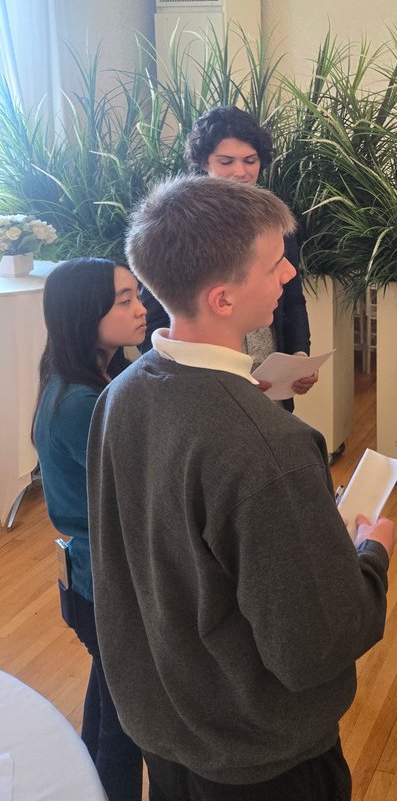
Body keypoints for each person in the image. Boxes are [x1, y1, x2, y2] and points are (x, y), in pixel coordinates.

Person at [88, 175, 394, 800]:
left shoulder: (122, 394)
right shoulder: (267, 449)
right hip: (260, 758)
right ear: (223, 298)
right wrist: (371, 556)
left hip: (165, 725)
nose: (288, 274)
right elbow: (315, 647)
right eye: (274, 262)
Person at [32, 258, 146, 801]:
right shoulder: (82, 402)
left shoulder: (89, 380)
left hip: (93, 582)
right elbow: (141, 491)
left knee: (109, 711)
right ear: (85, 314)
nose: (140, 307)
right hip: (105, 586)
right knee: (125, 729)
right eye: (122, 299)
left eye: (136, 294)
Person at [139, 104, 317, 409]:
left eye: (250, 160)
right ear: (203, 162)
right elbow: (155, 314)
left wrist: (298, 357)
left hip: (272, 384)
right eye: (226, 161)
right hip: (206, 387)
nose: (241, 172)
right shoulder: (180, 225)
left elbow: (293, 298)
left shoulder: (275, 221)